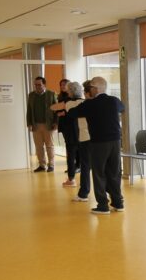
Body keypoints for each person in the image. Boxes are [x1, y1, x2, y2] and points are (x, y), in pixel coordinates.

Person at [66, 76, 124, 214]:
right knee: (114, 173)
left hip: (99, 143)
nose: (88, 90)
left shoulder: (90, 104)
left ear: (95, 89)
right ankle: (118, 203)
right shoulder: (114, 100)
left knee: (99, 173)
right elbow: (122, 108)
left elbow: (72, 113)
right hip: (116, 142)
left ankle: (103, 206)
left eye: (90, 87)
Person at [51, 81, 92, 200]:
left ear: (70, 92)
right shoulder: (86, 102)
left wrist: (62, 108)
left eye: (68, 90)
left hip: (74, 134)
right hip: (87, 136)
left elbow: (53, 107)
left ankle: (73, 181)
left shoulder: (69, 103)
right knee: (87, 163)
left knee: (72, 156)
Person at [26, 76, 58, 172]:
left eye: (39, 84)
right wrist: (29, 123)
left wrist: (56, 122)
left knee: (49, 145)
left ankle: (51, 164)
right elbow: (29, 110)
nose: (37, 86)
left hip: (48, 124)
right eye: (36, 85)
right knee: (38, 146)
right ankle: (42, 165)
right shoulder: (31, 95)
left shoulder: (51, 94)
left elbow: (56, 109)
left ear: (44, 84)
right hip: (36, 125)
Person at [56, 78, 79, 186]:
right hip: (72, 129)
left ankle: (71, 178)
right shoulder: (81, 101)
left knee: (71, 153)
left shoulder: (68, 101)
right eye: (62, 85)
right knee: (75, 152)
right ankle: (74, 173)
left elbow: (54, 108)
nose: (64, 87)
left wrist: (63, 112)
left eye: (66, 86)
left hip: (72, 129)